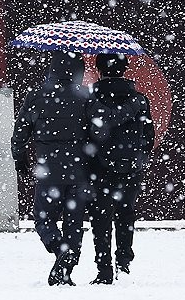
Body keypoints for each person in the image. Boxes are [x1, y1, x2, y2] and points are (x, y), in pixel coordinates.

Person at [13, 48, 92, 286]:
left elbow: (21, 132)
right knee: (74, 221)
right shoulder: (86, 96)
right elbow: (97, 132)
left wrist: (19, 157)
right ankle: (67, 266)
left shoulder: (37, 96)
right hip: (80, 167)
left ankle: (59, 250)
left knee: (43, 218)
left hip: (48, 166)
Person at [85, 53, 154, 285]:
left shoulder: (91, 100)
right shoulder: (140, 100)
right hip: (130, 167)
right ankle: (123, 261)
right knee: (126, 213)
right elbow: (149, 137)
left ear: (99, 70)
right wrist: (138, 157)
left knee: (100, 218)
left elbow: (83, 136)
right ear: (125, 69)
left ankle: (104, 268)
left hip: (98, 168)